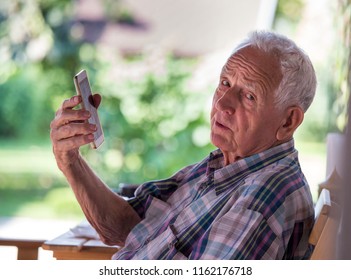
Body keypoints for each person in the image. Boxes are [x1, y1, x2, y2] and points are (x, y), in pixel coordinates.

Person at [50, 30, 317, 259]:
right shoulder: (225, 166)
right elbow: (125, 225)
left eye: (248, 96)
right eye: (225, 83)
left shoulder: (261, 197)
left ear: (288, 121)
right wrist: (69, 161)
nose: (222, 103)